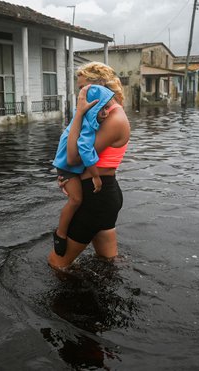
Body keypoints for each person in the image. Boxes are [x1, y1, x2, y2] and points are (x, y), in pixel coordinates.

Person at [48, 62, 130, 269]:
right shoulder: (101, 115)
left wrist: (77, 114)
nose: (80, 95)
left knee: (57, 264)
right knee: (108, 263)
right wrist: (70, 178)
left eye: (83, 88)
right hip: (100, 195)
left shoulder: (114, 118)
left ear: (99, 86)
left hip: (97, 199)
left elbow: (74, 157)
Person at [51, 84, 116, 257]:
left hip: (69, 167)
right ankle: (60, 234)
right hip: (68, 168)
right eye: (101, 109)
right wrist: (95, 176)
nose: (106, 113)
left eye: (107, 108)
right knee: (76, 200)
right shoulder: (87, 126)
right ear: (91, 109)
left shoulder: (84, 119)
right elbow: (85, 151)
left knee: (76, 200)